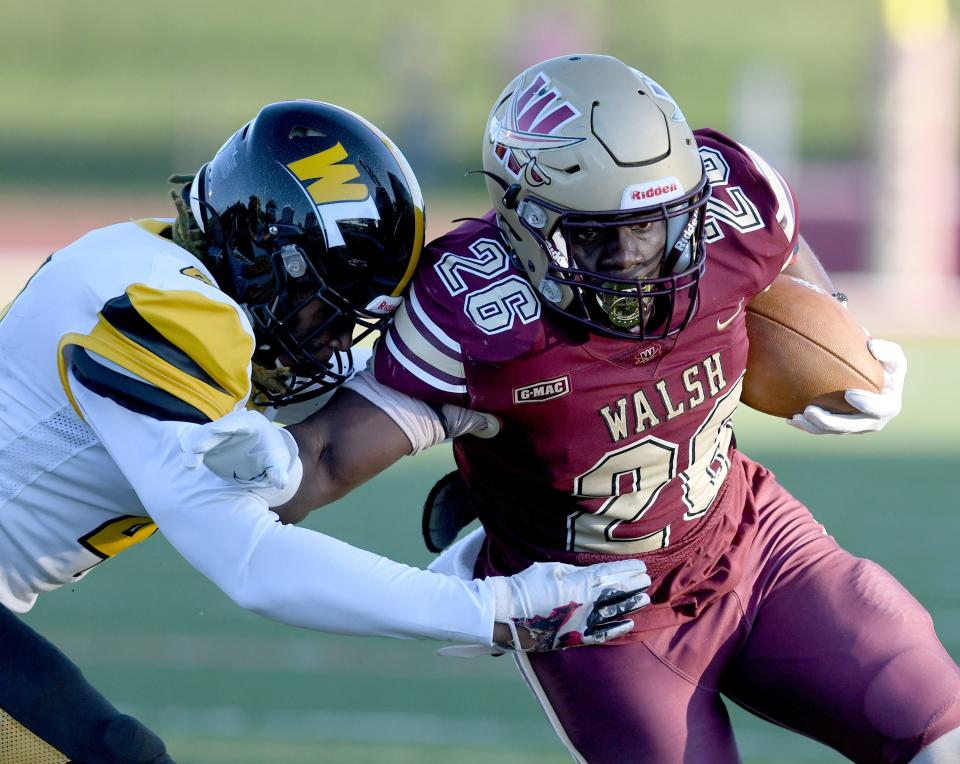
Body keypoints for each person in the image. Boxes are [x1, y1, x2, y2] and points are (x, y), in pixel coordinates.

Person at [198, 57, 960, 761]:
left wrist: (829, 320)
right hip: (599, 613)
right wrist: (197, 467)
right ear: (523, 222)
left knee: (937, 728)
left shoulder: (731, 208)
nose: (641, 259)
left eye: (662, 228)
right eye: (605, 238)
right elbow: (324, 460)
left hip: (751, 545)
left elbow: (778, 247)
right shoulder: (479, 316)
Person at [0, 98, 653, 764]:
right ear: (265, 256)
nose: (338, 343)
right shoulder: (165, 310)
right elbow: (254, 563)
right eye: (332, 312)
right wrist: (495, 605)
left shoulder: (162, 270)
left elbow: (370, 401)